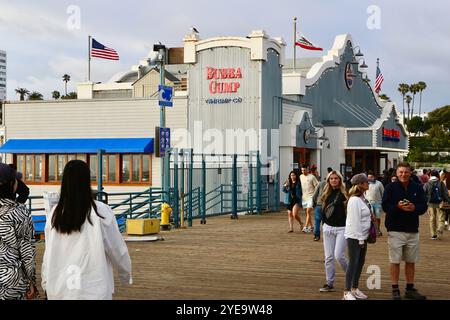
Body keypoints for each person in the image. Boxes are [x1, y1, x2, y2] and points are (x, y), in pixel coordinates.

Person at [41, 160, 132, 299]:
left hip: (60, 289)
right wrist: (125, 274)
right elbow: (117, 248)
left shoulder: (55, 213)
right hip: (93, 289)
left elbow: (48, 253)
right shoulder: (100, 211)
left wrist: (46, 282)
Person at [382, 162, 428, 300]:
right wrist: (398, 207)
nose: (403, 174)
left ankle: (409, 288)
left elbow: (424, 206)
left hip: (412, 229)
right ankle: (395, 289)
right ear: (396, 173)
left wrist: (414, 208)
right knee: (395, 260)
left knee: (410, 261)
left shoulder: (417, 188)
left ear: (411, 173)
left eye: (406, 172)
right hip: (395, 228)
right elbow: (385, 206)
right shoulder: (390, 187)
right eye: (401, 172)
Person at [0, 163, 37, 300]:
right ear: (11, 184)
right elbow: (27, 251)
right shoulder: (18, 213)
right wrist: (31, 281)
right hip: (11, 283)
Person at [318, 170, 348, 293]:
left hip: (342, 228)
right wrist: (323, 224)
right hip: (328, 228)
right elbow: (322, 211)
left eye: (336, 178)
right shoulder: (325, 194)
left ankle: (352, 276)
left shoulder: (345, 194)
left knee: (339, 256)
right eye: (331, 179)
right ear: (328, 181)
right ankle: (329, 283)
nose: (334, 180)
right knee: (328, 257)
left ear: (340, 180)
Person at [343, 173, 372, 300]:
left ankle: (354, 288)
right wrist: (360, 239)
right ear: (360, 184)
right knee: (353, 263)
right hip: (355, 236)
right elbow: (354, 221)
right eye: (366, 182)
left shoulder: (363, 198)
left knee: (360, 262)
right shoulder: (354, 200)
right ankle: (346, 291)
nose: (368, 183)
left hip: (363, 236)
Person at [423, 170, 449, 239]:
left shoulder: (427, 183)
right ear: (437, 175)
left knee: (432, 218)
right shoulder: (441, 183)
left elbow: (423, 193)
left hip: (430, 203)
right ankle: (440, 228)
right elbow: (445, 193)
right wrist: (447, 200)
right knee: (441, 217)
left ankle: (433, 234)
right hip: (440, 203)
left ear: (430, 175)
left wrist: (425, 201)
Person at [312, 167, 333, 241]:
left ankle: (316, 236)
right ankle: (326, 235)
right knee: (326, 221)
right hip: (328, 205)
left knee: (317, 221)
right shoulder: (332, 186)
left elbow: (315, 195)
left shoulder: (320, 184)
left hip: (319, 204)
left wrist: (314, 204)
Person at [300, 164, 318, 233]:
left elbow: (317, 186)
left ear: (307, 169)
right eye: (302, 170)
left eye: (304, 170)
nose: (303, 171)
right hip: (304, 197)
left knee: (308, 211)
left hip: (311, 196)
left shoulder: (312, 177)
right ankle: (312, 226)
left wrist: (315, 195)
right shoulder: (300, 177)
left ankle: (306, 227)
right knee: (307, 213)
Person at [365, 170, 384, 236]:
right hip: (368, 203)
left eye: (371, 177)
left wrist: (382, 202)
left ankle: (378, 230)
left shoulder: (379, 183)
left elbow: (383, 193)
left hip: (377, 203)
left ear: (374, 177)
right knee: (370, 218)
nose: (370, 178)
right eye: (369, 177)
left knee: (377, 218)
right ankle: (371, 231)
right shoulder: (366, 184)